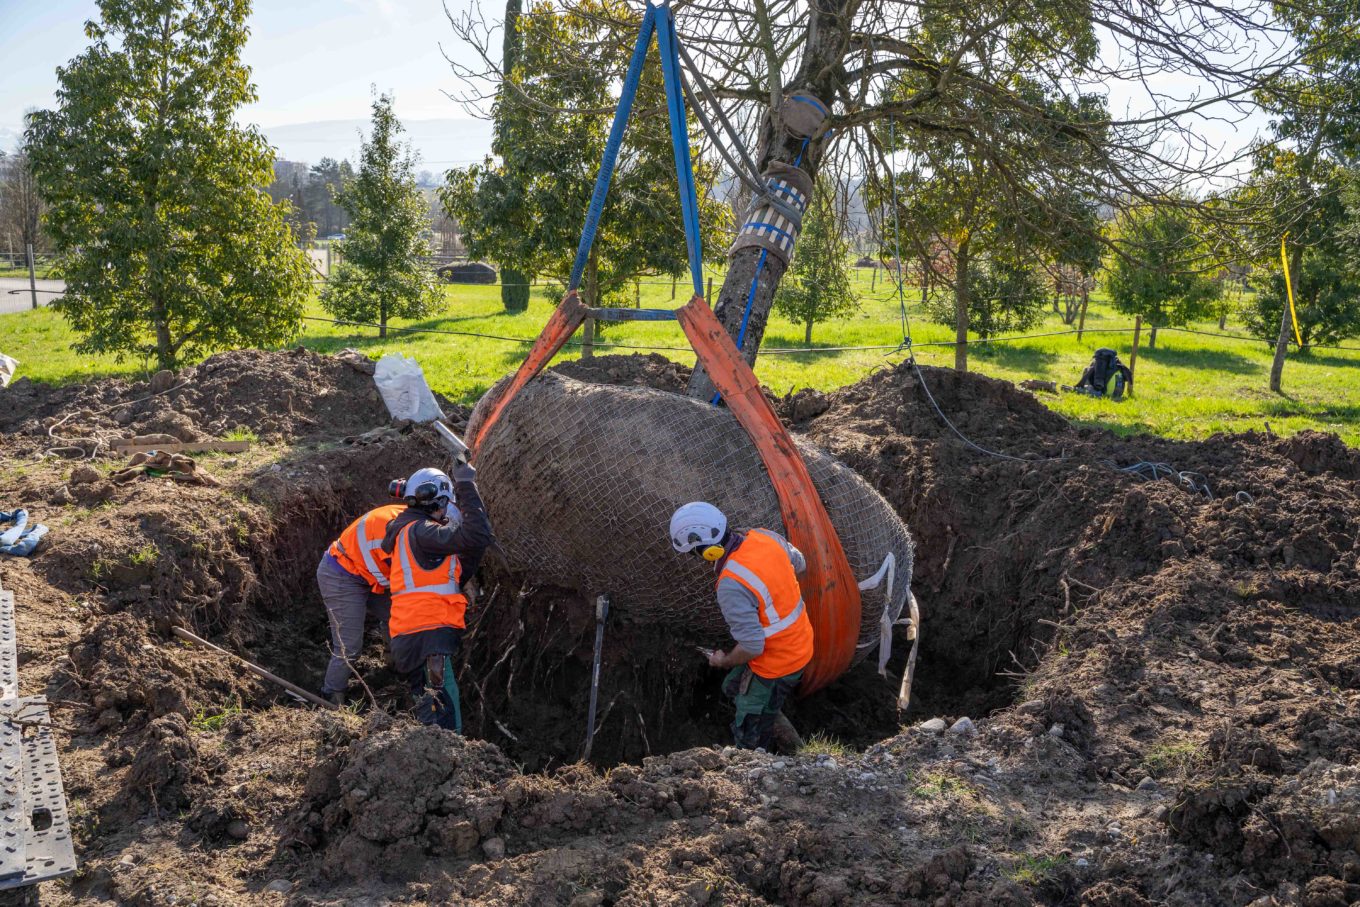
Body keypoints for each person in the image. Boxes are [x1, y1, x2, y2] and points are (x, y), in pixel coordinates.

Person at [669, 501, 812, 754]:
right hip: (800, 641)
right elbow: (799, 564)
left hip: (779, 662)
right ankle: (770, 713)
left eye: (693, 553)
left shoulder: (731, 584)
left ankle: (772, 756)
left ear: (707, 552)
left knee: (749, 732)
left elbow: (752, 646)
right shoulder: (764, 537)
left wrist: (723, 661)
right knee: (731, 688)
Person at [382, 463, 493, 732]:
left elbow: (455, 574)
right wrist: (466, 484)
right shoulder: (422, 532)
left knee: (429, 711)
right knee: (444, 710)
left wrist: (472, 549)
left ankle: (433, 760)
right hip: (428, 634)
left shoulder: (407, 535)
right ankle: (452, 762)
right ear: (438, 500)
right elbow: (478, 534)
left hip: (410, 636)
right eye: (446, 503)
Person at [317, 500, 404, 705]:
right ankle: (331, 698)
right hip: (341, 572)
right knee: (349, 646)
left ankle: (396, 666)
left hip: (368, 570)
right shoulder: (407, 533)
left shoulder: (417, 516)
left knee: (398, 618)